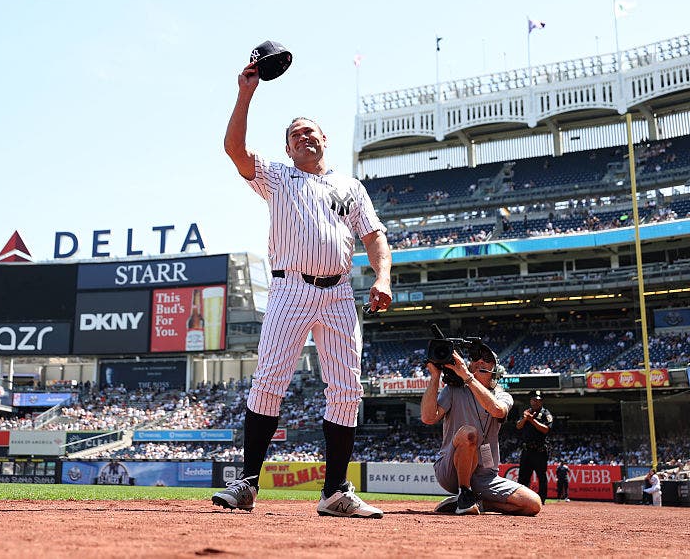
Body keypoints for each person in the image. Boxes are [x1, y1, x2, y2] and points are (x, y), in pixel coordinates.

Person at [210, 59, 391, 518]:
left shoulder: (351, 186)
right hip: (290, 289)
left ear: (324, 140)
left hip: (338, 294)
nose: (304, 137)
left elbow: (374, 238)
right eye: (295, 135)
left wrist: (383, 277)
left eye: (311, 131)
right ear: (288, 149)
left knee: (347, 389)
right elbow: (233, 150)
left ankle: (334, 493)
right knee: (269, 381)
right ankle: (248, 485)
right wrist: (246, 93)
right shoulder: (278, 176)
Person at [420, 345, 541, 516]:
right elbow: (428, 418)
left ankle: (478, 502)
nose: (480, 361)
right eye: (475, 357)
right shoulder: (453, 390)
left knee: (532, 504)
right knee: (469, 433)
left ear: (495, 370)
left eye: (486, 358)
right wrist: (435, 377)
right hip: (450, 471)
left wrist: (468, 377)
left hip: (484, 476)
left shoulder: (503, 395)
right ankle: (463, 493)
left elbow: (498, 410)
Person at [516, 389, 554, 504]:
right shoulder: (526, 412)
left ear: (541, 402)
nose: (535, 402)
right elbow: (518, 426)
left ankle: (541, 501)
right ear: (530, 401)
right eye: (533, 400)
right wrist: (525, 419)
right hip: (527, 450)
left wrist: (532, 420)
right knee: (523, 478)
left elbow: (546, 429)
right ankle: (521, 500)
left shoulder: (546, 414)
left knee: (541, 477)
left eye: (537, 400)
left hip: (540, 451)